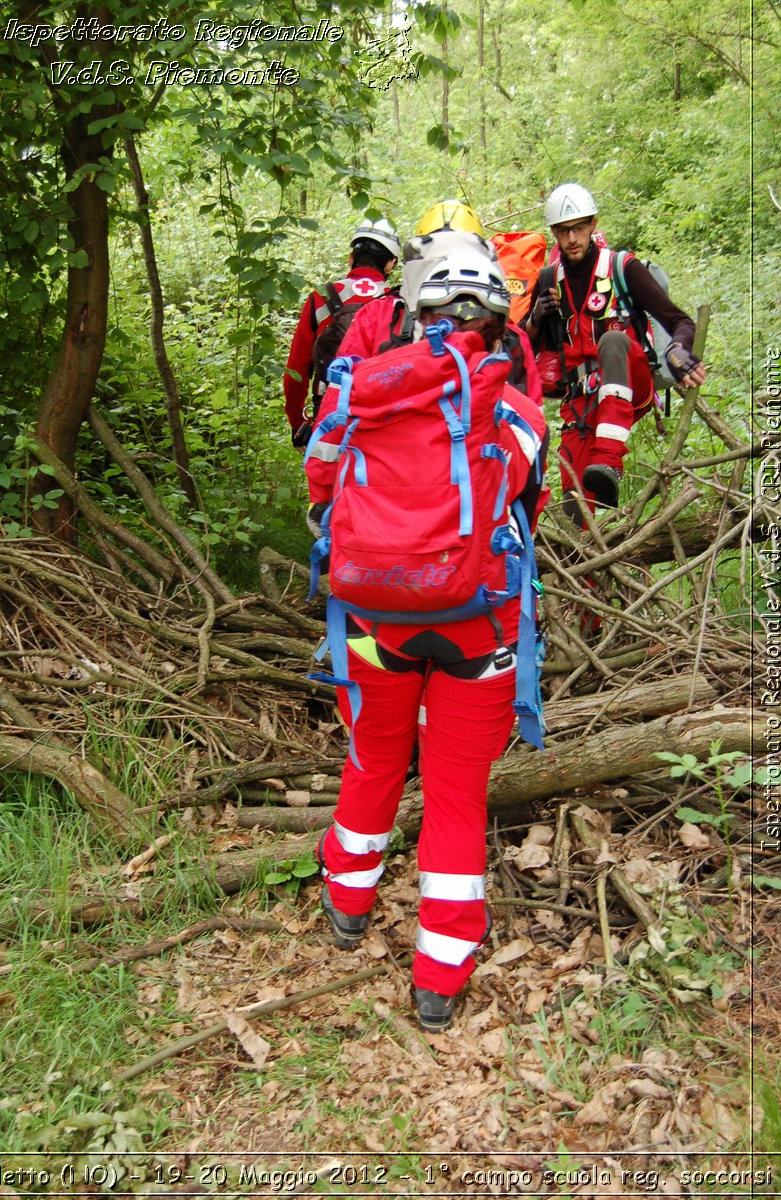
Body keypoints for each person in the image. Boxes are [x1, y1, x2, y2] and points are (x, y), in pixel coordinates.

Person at [305, 252, 547, 1033]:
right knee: (453, 793)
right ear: (498, 325)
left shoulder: (360, 393)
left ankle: (347, 903)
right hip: (479, 628)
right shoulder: (516, 410)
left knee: (375, 756)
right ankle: (439, 974)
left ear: (412, 315)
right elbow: (525, 510)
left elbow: (319, 488)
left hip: (378, 627)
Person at [524, 183, 706, 522]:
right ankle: (591, 568)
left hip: (629, 379)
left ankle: (610, 460)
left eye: (579, 227)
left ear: (593, 225)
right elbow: (520, 347)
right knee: (579, 511)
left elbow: (678, 320)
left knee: (612, 340)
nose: (573, 238)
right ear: (554, 233)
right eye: (564, 231)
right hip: (580, 407)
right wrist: (536, 317)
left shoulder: (623, 268)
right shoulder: (549, 279)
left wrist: (678, 349)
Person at [338, 200, 544, 410]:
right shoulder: (506, 332)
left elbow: (342, 392)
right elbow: (531, 419)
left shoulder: (377, 314)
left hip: (388, 437)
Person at [283, 217, 400, 447]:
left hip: (328, 412)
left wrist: (297, 423)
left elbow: (296, 370)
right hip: (382, 419)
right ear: (390, 264)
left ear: (351, 258)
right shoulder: (399, 302)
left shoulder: (322, 297)